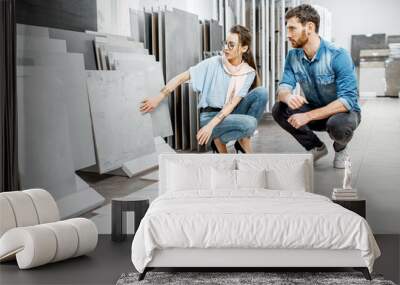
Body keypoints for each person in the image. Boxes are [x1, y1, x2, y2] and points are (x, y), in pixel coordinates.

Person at [140, 25, 268, 153]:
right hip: (209, 116)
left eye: (231, 45)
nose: (225, 48)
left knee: (262, 93)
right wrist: (158, 98)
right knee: (250, 124)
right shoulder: (213, 63)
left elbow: (232, 104)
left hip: (230, 112)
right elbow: (181, 78)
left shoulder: (248, 72)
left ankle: (239, 139)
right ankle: (219, 139)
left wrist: (210, 128)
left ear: (244, 48)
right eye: (225, 43)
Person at [272, 4, 361, 168]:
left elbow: (347, 100)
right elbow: (283, 87)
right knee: (279, 109)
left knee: (338, 126)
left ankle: (340, 148)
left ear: (310, 27)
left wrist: (307, 116)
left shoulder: (338, 55)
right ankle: (316, 147)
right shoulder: (293, 56)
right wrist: (288, 96)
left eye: (292, 29)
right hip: (315, 108)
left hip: (343, 112)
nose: (288, 35)